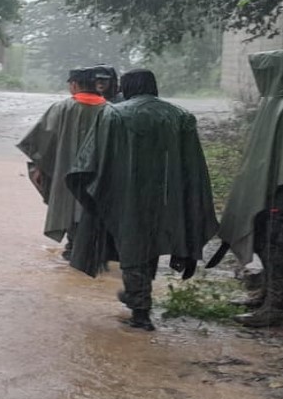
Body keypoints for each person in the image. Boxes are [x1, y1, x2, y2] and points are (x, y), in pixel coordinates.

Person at [65, 69, 218, 330]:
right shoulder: (180, 116)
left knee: (133, 246)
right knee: (150, 244)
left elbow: (90, 159)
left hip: (126, 193)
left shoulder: (113, 114)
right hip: (169, 194)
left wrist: (89, 192)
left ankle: (140, 311)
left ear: (127, 88)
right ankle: (138, 296)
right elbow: (193, 165)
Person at [212, 48, 283, 327]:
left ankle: (276, 307)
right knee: (261, 237)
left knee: (274, 242)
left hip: (282, 189)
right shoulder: (273, 103)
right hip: (267, 187)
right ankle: (265, 294)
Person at [17, 67, 107, 259]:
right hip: (101, 173)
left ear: (74, 85)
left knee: (69, 206)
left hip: (66, 173)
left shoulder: (61, 108)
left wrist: (39, 168)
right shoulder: (110, 110)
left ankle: (73, 247)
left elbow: (42, 143)